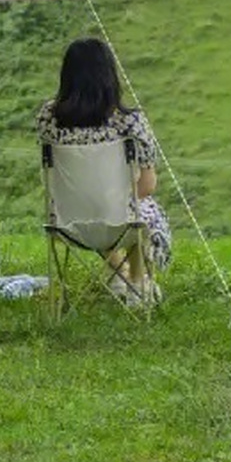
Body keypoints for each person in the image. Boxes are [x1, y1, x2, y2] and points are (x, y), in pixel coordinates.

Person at [36, 37, 172, 303]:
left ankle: (118, 273)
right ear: (110, 75)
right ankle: (137, 283)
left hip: (66, 223)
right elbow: (147, 186)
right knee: (135, 209)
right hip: (119, 218)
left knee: (94, 205)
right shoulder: (130, 121)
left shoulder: (48, 118)